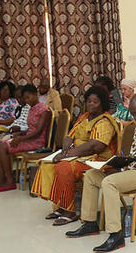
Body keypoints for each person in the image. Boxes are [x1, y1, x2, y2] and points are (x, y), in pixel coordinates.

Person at [67, 94, 136, 253]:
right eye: (132, 113)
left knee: (109, 182)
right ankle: (90, 223)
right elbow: (134, 156)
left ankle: (115, 235)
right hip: (134, 169)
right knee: (90, 175)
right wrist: (114, 163)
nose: (134, 117)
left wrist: (119, 170)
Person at [31, 86, 119, 225]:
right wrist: (66, 147)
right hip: (79, 155)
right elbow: (70, 136)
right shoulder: (84, 117)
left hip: (98, 159)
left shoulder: (105, 121)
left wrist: (68, 154)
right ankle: (59, 206)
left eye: (95, 102)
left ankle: (69, 212)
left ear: (102, 103)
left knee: (64, 168)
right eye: (88, 101)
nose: (90, 104)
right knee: (48, 164)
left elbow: (95, 146)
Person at [0, 84, 51, 192]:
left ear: (35, 94)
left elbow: (38, 132)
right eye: (25, 98)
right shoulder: (32, 109)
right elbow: (30, 129)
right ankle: (2, 178)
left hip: (37, 142)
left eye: (29, 97)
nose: (27, 100)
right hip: (28, 138)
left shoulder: (44, 110)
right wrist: (20, 134)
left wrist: (21, 139)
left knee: (3, 147)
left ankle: (10, 181)